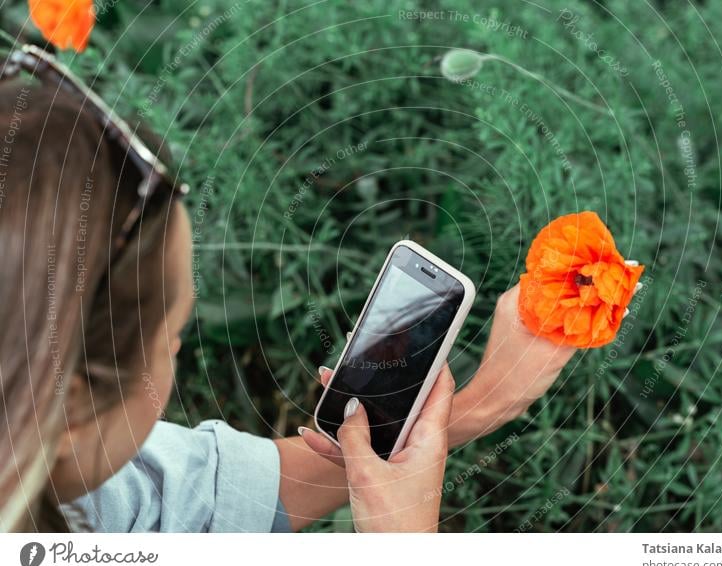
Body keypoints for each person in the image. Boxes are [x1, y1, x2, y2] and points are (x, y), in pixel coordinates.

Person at [0, 73, 576, 533]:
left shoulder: (61, 482)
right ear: (70, 409)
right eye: (171, 336)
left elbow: (196, 501)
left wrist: (474, 409)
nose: (173, 351)